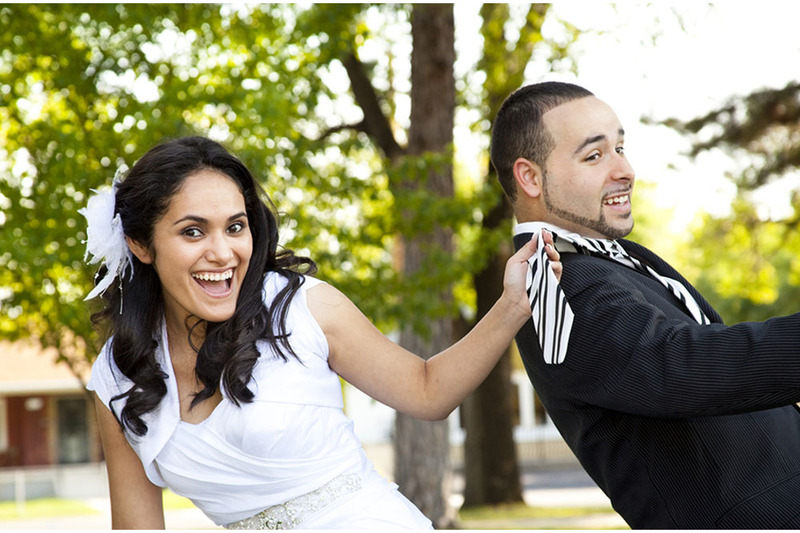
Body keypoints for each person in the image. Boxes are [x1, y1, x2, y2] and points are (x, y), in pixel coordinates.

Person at [82, 136, 560, 530]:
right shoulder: (118, 376)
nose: (222, 252)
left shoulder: (300, 306)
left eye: (235, 227)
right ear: (140, 244)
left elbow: (428, 391)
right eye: (193, 232)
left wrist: (513, 305)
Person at [490, 80, 800, 529]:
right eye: (595, 155)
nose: (625, 170)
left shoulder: (613, 260)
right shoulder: (553, 285)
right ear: (531, 177)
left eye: (620, 147)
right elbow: (681, 363)